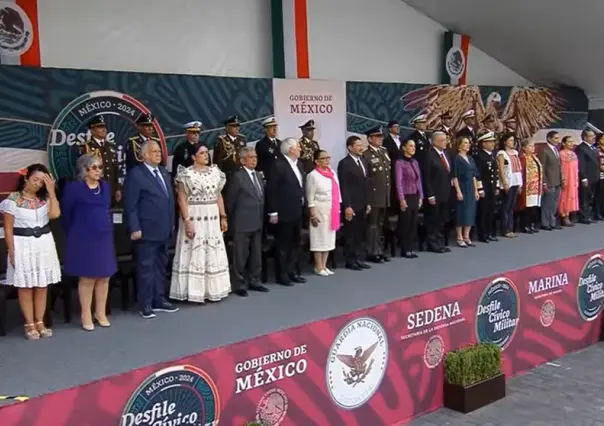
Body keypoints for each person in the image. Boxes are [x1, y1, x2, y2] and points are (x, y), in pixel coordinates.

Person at [1, 164, 61, 339]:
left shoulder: (44, 199)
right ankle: (29, 323)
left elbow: (55, 215)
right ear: (26, 178)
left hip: (43, 242)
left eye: (42, 182)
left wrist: (51, 191)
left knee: (42, 285)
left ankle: (40, 321)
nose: (37, 184)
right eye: (35, 180)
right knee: (26, 285)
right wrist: (11, 251)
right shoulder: (12, 200)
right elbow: (8, 229)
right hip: (22, 243)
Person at [123, 140, 179, 319]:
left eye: (159, 151)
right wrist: (134, 227)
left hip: (164, 228)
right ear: (144, 155)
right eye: (154, 151)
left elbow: (169, 199)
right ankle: (145, 303)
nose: (158, 154)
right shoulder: (136, 174)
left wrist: (172, 223)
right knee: (146, 267)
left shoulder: (163, 172)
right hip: (146, 230)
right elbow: (130, 205)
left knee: (161, 266)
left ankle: (159, 299)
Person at [61, 154, 117, 330]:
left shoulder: (105, 187)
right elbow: (66, 215)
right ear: (84, 170)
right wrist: (75, 232)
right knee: (87, 277)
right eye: (94, 167)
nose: (99, 171)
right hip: (83, 237)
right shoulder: (74, 188)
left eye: (100, 167)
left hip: (104, 237)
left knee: (104, 276)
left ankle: (100, 313)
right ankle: (86, 313)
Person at [170, 143, 231, 303]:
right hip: (195, 215)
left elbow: (218, 195)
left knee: (212, 249)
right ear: (193, 156)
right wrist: (187, 221)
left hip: (212, 217)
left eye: (206, 152)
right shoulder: (186, 174)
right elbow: (181, 198)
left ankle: (213, 289)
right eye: (202, 153)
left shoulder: (215, 172)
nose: (206, 155)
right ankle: (193, 291)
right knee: (194, 250)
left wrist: (223, 216)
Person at [227, 147, 268, 296]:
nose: (254, 159)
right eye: (250, 157)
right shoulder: (237, 177)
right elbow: (231, 201)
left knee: (256, 253)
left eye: (255, 157)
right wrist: (231, 221)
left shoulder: (258, 175)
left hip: (257, 220)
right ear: (243, 160)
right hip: (242, 222)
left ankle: (255, 280)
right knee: (240, 254)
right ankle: (239, 283)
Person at [267, 138, 306, 286]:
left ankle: (292, 271)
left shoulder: (300, 164)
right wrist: (273, 212)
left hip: (297, 210)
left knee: (296, 242)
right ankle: (281, 274)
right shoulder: (279, 165)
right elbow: (272, 189)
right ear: (290, 150)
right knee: (283, 244)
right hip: (283, 211)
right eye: (298, 147)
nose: (300, 149)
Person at [306, 149, 341, 276]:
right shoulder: (313, 175)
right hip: (319, 209)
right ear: (316, 161)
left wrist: (338, 207)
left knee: (329, 238)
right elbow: (310, 196)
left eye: (328, 158)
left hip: (332, 209)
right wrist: (312, 214)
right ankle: (318, 266)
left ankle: (324, 265)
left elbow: (337, 191)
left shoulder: (332, 173)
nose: (327, 160)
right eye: (323, 158)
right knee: (319, 238)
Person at [338, 136, 371, 270]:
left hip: (362, 203)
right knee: (350, 233)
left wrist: (368, 202)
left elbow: (366, 183)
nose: (361, 147)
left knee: (360, 233)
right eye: (358, 145)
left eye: (361, 144)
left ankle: (358, 258)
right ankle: (350, 260)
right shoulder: (344, 163)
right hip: (351, 204)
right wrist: (347, 206)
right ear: (350, 147)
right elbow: (343, 186)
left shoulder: (363, 160)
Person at [77, 115, 121, 205]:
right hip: (95, 190)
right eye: (100, 127)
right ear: (92, 130)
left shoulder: (111, 146)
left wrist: (118, 188)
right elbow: (83, 172)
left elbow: (115, 169)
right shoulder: (86, 147)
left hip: (111, 190)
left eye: (104, 127)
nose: (104, 129)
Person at [362, 126, 391, 262]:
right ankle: (372, 251)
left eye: (381, 137)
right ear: (369, 139)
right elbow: (366, 179)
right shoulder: (366, 154)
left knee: (380, 224)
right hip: (373, 195)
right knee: (372, 225)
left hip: (384, 194)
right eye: (377, 137)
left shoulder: (384, 151)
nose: (380, 139)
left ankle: (379, 249)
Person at [421, 132, 452, 253]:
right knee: (433, 220)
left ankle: (440, 242)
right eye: (442, 140)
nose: (445, 142)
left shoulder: (445, 154)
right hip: (434, 194)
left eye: (445, 140)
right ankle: (432, 243)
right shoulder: (429, 155)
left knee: (441, 219)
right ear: (434, 142)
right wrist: (429, 194)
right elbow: (426, 177)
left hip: (445, 193)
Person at [394, 139, 423, 258]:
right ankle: (405, 249)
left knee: (413, 222)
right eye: (410, 146)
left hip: (415, 195)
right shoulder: (400, 163)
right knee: (405, 223)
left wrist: (421, 196)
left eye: (414, 146)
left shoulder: (415, 162)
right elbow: (398, 182)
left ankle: (411, 247)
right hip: (406, 195)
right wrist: (401, 199)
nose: (413, 148)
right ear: (404, 148)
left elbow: (419, 180)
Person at [452, 137, 480, 247]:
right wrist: (458, 191)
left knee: (470, 212)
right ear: (459, 145)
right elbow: (455, 176)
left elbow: (474, 176)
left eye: (469, 143)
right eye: (465, 143)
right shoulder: (456, 159)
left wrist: (476, 190)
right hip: (462, 186)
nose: (468, 145)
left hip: (471, 187)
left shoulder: (471, 158)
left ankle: (467, 236)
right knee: (461, 212)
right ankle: (459, 237)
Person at [474, 132, 499, 243]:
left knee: (491, 211)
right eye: (490, 142)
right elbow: (477, 174)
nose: (493, 144)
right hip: (484, 187)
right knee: (483, 212)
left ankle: (489, 233)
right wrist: (480, 189)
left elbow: (495, 172)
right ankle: (482, 234)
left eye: (493, 141)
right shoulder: (479, 156)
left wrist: (496, 186)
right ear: (483, 143)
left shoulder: (491, 155)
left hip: (491, 187)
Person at [496, 133, 523, 237]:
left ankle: (510, 228)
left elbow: (518, 169)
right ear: (505, 142)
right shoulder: (502, 153)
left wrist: (520, 184)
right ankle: (505, 229)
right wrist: (504, 182)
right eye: (511, 140)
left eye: (513, 140)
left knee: (512, 206)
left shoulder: (515, 153)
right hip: (508, 182)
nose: (513, 142)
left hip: (516, 181)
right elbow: (501, 169)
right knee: (506, 206)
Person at [517, 139, 543, 233]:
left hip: (536, 186)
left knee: (534, 207)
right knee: (527, 207)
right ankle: (525, 225)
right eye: (530, 146)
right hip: (527, 186)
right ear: (524, 148)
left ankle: (532, 224)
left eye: (533, 146)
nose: (532, 148)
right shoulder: (522, 158)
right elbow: (521, 172)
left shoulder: (534, 157)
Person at [539, 130, 562, 231]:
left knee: (554, 203)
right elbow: (542, 167)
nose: (558, 140)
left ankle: (552, 222)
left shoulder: (556, 150)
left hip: (557, 180)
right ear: (549, 139)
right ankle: (545, 223)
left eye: (558, 138)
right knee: (547, 203)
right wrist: (544, 182)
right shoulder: (544, 150)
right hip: (549, 181)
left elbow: (558, 166)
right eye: (556, 138)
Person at [576, 128, 600, 224]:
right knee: (584, 197)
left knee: (590, 197)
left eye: (594, 136)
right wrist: (583, 177)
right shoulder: (581, 148)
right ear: (585, 137)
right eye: (591, 136)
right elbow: (581, 165)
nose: (594, 138)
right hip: (586, 177)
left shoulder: (593, 147)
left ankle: (588, 215)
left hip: (594, 176)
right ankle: (583, 216)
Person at [558, 135, 579, 226]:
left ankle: (569, 215)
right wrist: (562, 179)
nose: (571, 143)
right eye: (569, 142)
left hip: (573, 179)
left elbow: (576, 168)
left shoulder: (573, 153)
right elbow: (560, 168)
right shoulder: (561, 154)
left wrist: (577, 179)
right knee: (564, 197)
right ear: (563, 143)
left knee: (571, 197)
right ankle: (564, 216)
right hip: (566, 178)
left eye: (572, 141)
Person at [255, 116, 281, 180]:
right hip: (269, 177)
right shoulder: (261, 144)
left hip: (280, 176)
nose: (274, 129)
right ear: (265, 129)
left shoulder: (280, 143)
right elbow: (259, 162)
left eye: (275, 127)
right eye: (271, 127)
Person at [595, 133, 604, 220]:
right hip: (600, 174)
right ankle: (597, 213)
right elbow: (597, 163)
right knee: (599, 195)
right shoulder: (597, 150)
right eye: (602, 139)